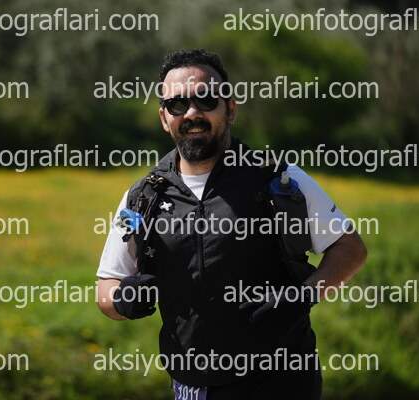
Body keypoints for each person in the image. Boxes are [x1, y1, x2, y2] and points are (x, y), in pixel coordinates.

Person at [96, 48, 367, 399]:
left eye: (206, 100)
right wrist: (122, 299)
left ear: (231, 109)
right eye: (178, 104)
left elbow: (350, 248)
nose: (192, 113)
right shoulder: (143, 196)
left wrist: (302, 296)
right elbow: (106, 286)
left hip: (282, 382)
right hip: (193, 387)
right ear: (164, 118)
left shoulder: (278, 179)